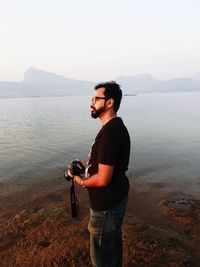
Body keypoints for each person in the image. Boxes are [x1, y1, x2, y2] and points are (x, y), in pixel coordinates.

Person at [71, 81, 130, 267]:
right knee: (112, 247)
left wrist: (81, 181)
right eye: (92, 99)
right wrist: (87, 167)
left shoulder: (111, 132)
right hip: (116, 199)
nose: (91, 102)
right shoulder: (114, 128)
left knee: (100, 257)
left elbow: (103, 178)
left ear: (110, 102)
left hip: (106, 206)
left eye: (96, 99)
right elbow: (108, 165)